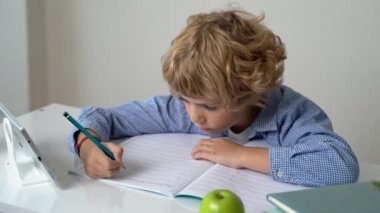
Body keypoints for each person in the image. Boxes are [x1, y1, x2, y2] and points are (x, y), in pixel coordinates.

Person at [68, 9, 359, 187]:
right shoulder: (184, 109)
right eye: (184, 99)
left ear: (252, 92)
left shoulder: (291, 115)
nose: (194, 115)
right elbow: (104, 116)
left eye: (210, 106)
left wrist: (241, 156)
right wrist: (87, 148)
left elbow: (339, 165)